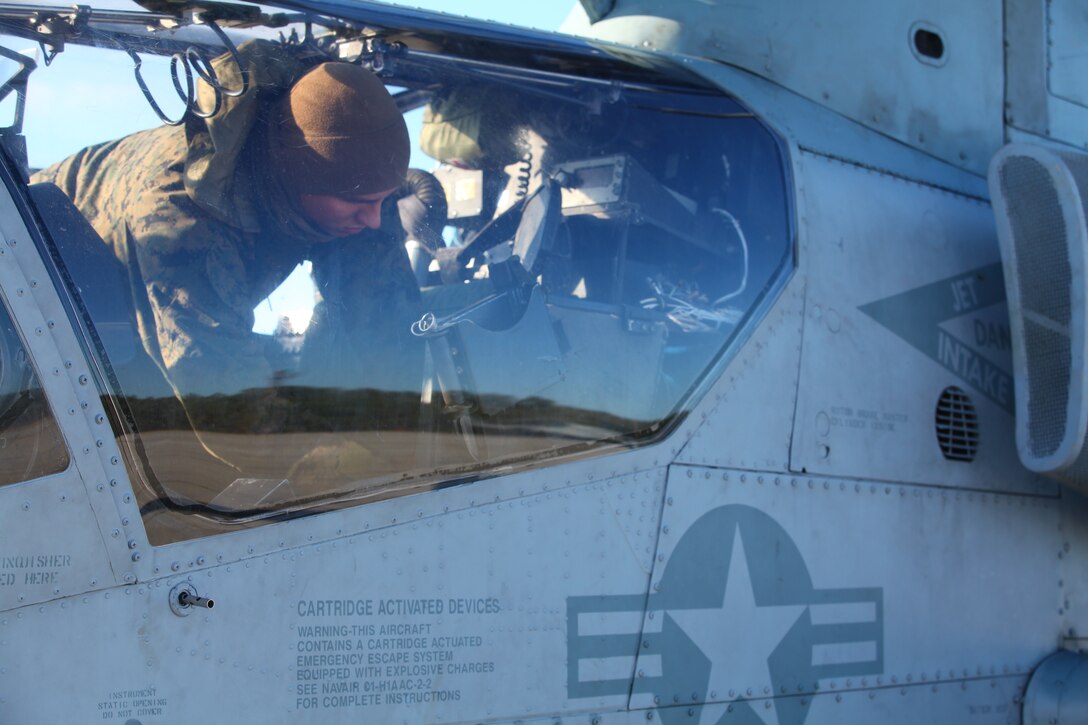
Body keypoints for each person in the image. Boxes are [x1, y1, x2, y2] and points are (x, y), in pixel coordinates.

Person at [31, 41, 424, 440]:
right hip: (37, 300)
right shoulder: (179, 218)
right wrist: (331, 462)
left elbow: (385, 323)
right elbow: (226, 399)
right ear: (298, 179)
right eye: (358, 202)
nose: (373, 218)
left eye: (383, 200)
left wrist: (403, 435)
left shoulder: (356, 184)